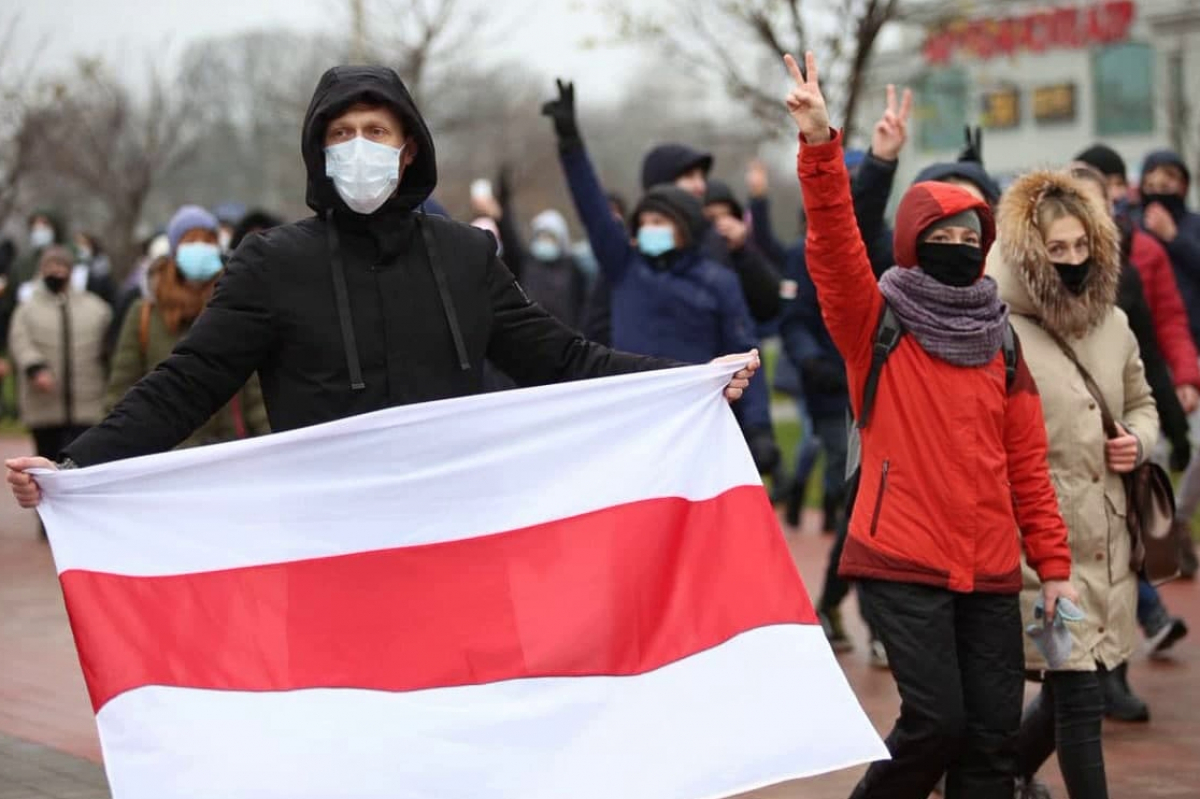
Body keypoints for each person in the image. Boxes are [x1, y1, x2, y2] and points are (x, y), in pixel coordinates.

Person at [7, 65, 758, 500]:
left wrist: (689, 379)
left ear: (407, 152)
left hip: (453, 523)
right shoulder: (272, 264)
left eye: (375, 131)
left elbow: (565, 361)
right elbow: (188, 382)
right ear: (318, 154)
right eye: (339, 135)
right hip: (324, 531)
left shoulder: (468, 256)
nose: (357, 147)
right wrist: (76, 463)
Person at [786, 51, 1075, 799]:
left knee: (990, 743)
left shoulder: (1001, 338)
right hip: (899, 558)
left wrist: (1054, 570)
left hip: (987, 567)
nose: (959, 248)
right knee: (935, 724)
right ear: (914, 243)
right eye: (941, 237)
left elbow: (1026, 468)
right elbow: (834, 245)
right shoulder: (874, 318)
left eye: (970, 237)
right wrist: (821, 148)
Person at [987, 167, 1157, 799]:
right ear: (1028, 252)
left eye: (1082, 247)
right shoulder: (998, 328)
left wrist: (1137, 440)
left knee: (1069, 689)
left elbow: (1141, 400)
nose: (1072, 261)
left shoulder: (1112, 323)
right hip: (1040, 541)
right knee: (1081, 694)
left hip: (1107, 539)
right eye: (1056, 250)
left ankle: (996, 773)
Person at [544, 78, 778, 475]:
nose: (648, 227)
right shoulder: (625, 268)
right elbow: (593, 208)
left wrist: (759, 430)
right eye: (644, 221)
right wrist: (570, 143)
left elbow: (744, 352)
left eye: (660, 221)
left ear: (685, 227)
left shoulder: (717, 281)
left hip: (697, 427)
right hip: (633, 423)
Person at [106, 205, 269, 450]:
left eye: (208, 241)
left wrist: (270, 441)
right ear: (174, 249)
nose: (201, 248)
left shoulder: (234, 304)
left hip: (231, 451)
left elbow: (255, 392)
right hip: (168, 455)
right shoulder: (144, 314)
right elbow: (122, 387)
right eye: (192, 241)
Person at [7, 246, 111, 470]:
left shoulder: (96, 308)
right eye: (50, 266)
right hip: (44, 404)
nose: (56, 271)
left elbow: (110, 345)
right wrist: (35, 368)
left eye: (62, 265)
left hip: (87, 403)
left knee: (82, 465)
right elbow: (19, 341)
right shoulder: (27, 310)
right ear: (41, 270)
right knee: (46, 465)